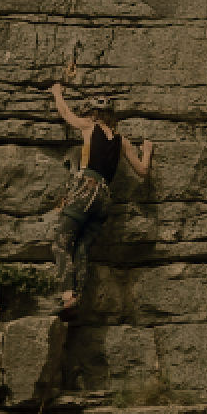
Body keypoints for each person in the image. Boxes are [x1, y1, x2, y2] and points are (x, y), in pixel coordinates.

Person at [49, 82, 154, 320]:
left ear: (94, 114)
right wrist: (146, 150)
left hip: (87, 188)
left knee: (60, 244)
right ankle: (79, 297)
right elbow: (143, 171)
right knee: (82, 247)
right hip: (105, 198)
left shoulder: (89, 126)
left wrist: (57, 93)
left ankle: (68, 297)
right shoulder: (122, 141)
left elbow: (66, 114)